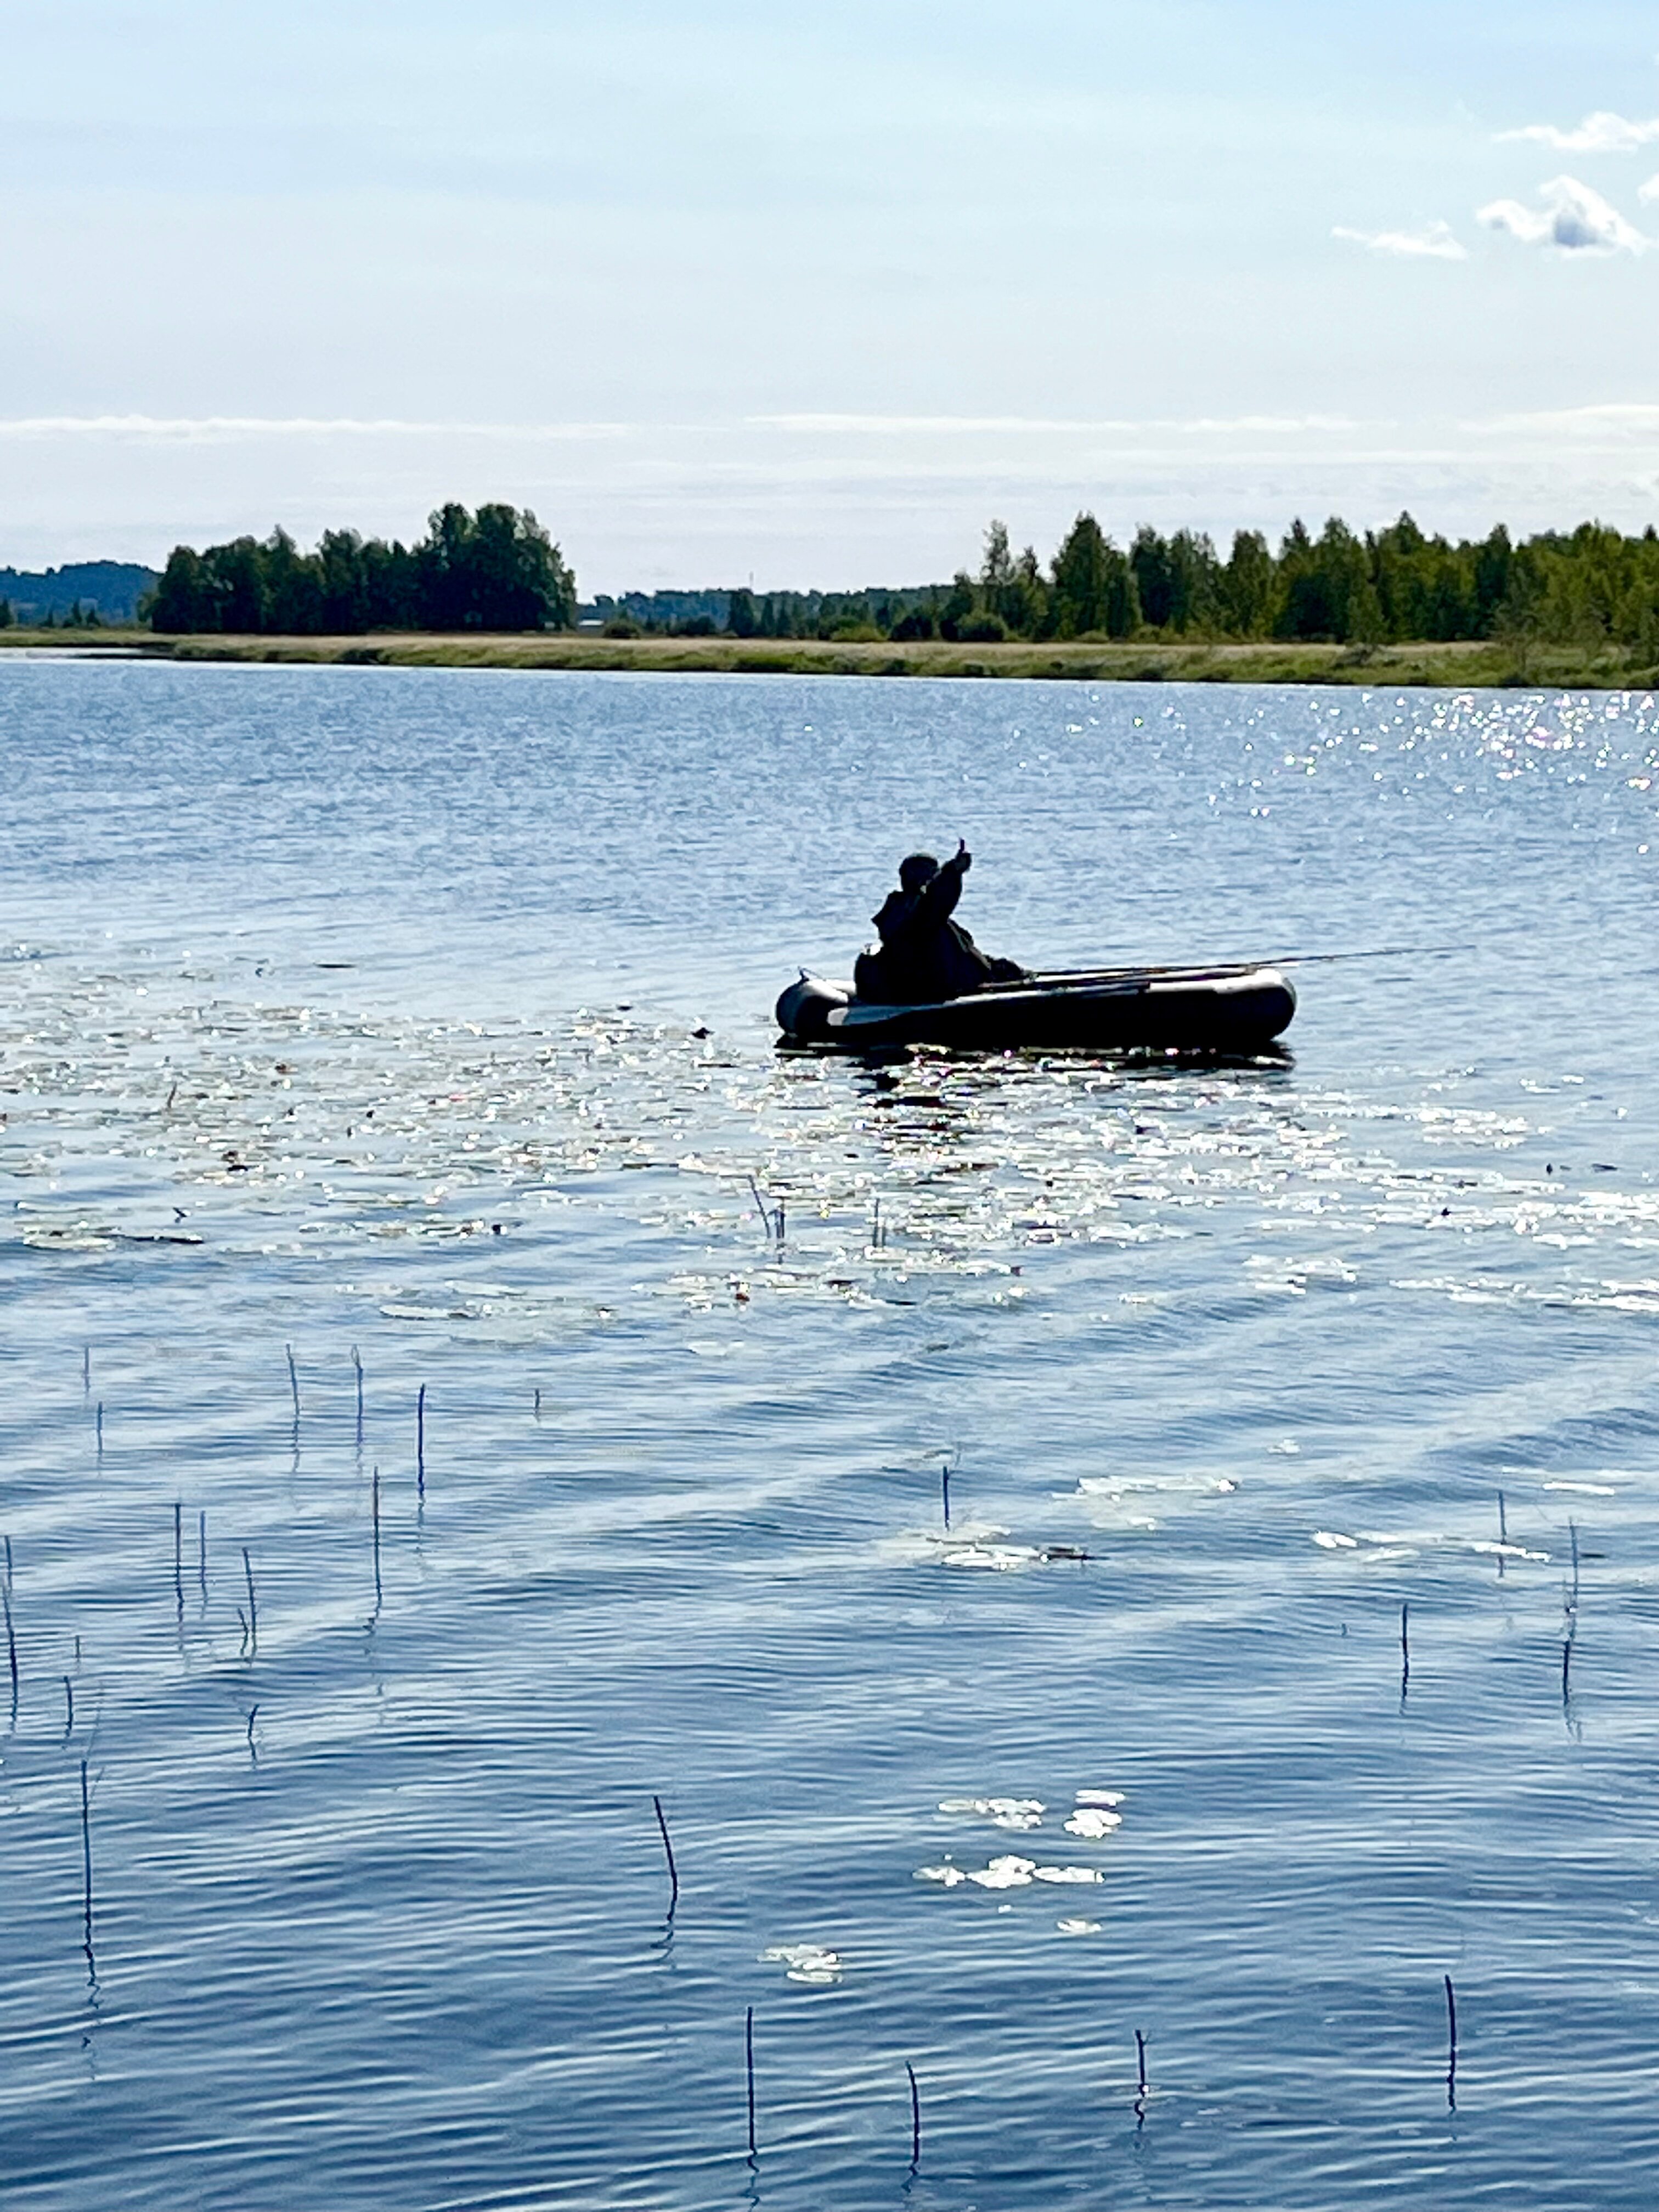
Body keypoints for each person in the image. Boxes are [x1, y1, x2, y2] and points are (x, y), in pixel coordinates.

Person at [853, 842, 1026, 1005]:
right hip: (928, 991)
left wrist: (996, 967)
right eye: (932, 875)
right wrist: (953, 871)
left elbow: (960, 952)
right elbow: (936, 902)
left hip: (938, 984)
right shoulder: (913, 915)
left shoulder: (917, 914)